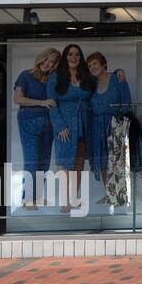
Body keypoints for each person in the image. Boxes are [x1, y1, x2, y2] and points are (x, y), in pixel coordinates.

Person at [46, 44, 93, 213]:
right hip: (64, 126)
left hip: (84, 125)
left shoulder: (86, 76)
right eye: (70, 54)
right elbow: (51, 104)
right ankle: (64, 202)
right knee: (65, 165)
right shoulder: (55, 77)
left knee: (79, 164)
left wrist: (118, 73)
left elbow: (102, 76)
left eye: (77, 55)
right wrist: (60, 126)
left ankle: (74, 198)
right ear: (65, 57)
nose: (74, 57)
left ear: (81, 58)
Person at [13, 48, 60, 209]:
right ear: (41, 58)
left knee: (44, 163)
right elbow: (17, 99)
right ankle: (27, 199)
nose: (48, 63)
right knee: (32, 161)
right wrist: (41, 102)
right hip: (28, 122)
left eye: (53, 62)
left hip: (48, 124)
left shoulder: (52, 80)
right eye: (47, 59)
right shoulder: (25, 75)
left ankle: (38, 197)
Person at [87, 53, 131, 205]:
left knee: (117, 161)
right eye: (90, 65)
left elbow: (126, 102)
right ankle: (109, 195)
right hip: (96, 127)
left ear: (103, 63)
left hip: (115, 125)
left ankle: (120, 196)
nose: (92, 67)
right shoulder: (91, 84)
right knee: (103, 162)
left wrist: (122, 126)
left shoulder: (117, 78)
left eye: (94, 63)